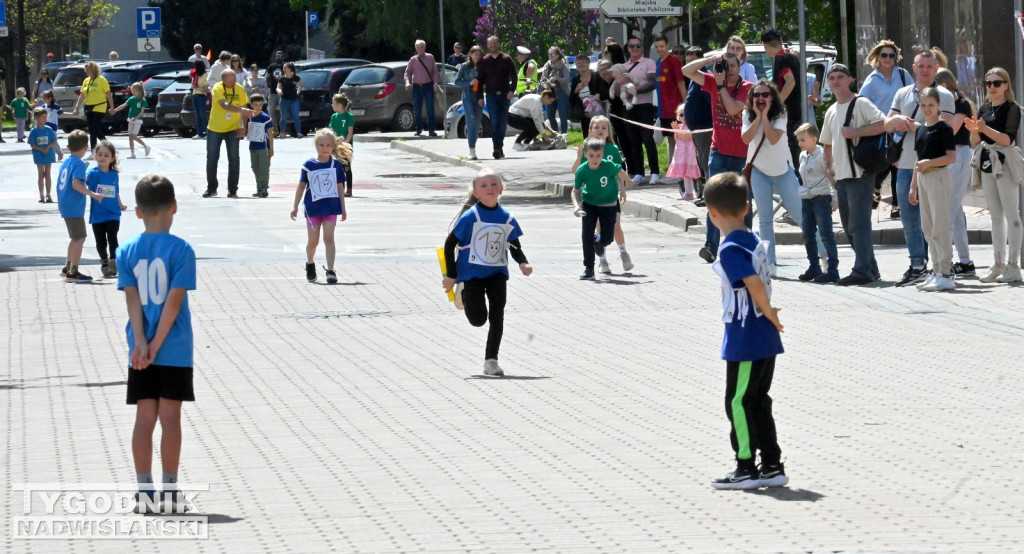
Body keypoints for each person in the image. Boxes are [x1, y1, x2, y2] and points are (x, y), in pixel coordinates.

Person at [116, 174, 198, 514]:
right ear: (174, 208)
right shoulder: (182, 250)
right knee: (171, 419)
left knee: (144, 418)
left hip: (140, 351)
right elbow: (173, 304)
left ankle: (143, 490)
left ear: (137, 212)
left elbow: (132, 302)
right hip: (174, 348)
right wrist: (156, 345)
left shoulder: (126, 251)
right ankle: (169, 489)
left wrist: (140, 344)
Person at [702, 172, 787, 491]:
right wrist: (771, 314)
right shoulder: (751, 239)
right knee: (757, 400)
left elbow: (752, 284)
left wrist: (769, 314)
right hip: (761, 333)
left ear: (711, 213)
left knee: (737, 401)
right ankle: (772, 465)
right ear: (747, 208)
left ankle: (746, 465)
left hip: (746, 336)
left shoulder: (731, 248)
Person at [442, 168, 533, 376]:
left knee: (497, 316)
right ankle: (464, 293)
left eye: (494, 184)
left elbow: (514, 243)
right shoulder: (470, 217)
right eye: (484, 185)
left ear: (501, 189)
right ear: (476, 193)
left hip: (497, 273)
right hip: (471, 275)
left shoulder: (507, 218)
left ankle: (491, 361)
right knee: (478, 319)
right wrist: (451, 276)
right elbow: (449, 245)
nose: (489, 188)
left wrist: (523, 263)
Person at [885, 50, 956, 287]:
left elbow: (943, 130)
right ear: (913, 68)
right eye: (920, 66)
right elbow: (887, 122)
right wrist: (896, 121)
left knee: (939, 223)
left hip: (935, 169)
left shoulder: (944, 95)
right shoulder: (902, 92)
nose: (924, 70)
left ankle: (944, 271)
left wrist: (914, 125)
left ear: (936, 68)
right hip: (909, 165)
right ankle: (919, 266)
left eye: (929, 66)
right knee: (915, 220)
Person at [682, 51, 753, 263]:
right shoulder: (714, 81)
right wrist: (711, 60)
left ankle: (744, 244)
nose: (729, 70)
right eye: (725, 65)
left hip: (742, 153)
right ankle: (710, 246)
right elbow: (686, 71)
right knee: (713, 198)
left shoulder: (748, 88)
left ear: (739, 67)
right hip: (719, 150)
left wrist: (721, 86)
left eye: (732, 66)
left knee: (743, 199)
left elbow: (733, 110)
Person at [820, 64, 887, 286]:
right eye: (832, 78)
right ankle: (870, 268)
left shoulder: (861, 103)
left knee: (859, 224)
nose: (836, 81)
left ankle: (862, 272)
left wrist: (856, 132)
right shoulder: (831, 110)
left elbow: (883, 124)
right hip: (841, 176)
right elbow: (827, 144)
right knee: (849, 226)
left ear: (850, 80)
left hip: (860, 173)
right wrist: (828, 167)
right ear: (828, 83)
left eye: (840, 77)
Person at [741, 79, 809, 275]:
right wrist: (758, 115)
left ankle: (821, 255)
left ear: (773, 97)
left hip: (782, 170)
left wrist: (765, 116)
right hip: (759, 171)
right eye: (757, 95)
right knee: (765, 219)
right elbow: (746, 139)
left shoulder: (781, 113)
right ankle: (769, 263)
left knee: (801, 215)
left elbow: (772, 138)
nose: (761, 98)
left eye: (765, 94)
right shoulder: (747, 113)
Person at [966, 67, 1024, 283]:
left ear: (1006, 85)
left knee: (1012, 213)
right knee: (995, 215)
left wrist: (984, 130)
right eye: (988, 83)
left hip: (1006, 162)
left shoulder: (1012, 108)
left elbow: (1007, 140)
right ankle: (998, 263)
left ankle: (1013, 265)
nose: (991, 87)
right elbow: (974, 142)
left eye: (996, 83)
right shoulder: (984, 109)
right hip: (987, 162)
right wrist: (974, 129)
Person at [907, 87, 958, 291]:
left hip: (938, 177)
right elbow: (918, 161)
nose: (927, 109)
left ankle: (945, 272)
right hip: (924, 178)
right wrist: (913, 187)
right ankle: (936, 270)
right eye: (923, 105)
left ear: (938, 106)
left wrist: (930, 163)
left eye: (931, 105)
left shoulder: (944, 128)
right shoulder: (920, 129)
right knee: (928, 227)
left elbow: (951, 157)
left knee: (940, 225)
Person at [571, 116, 634, 273]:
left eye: (603, 128)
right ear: (590, 131)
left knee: (615, 226)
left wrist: (623, 189)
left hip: (611, 196)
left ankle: (623, 252)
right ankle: (603, 261)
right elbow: (576, 172)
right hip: (593, 198)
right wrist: (579, 156)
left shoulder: (612, 149)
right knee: (598, 228)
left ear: (608, 132)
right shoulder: (587, 149)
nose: (599, 130)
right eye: (596, 127)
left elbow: (618, 171)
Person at [859, 40, 913, 215]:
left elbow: (914, 94)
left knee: (900, 164)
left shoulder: (903, 75)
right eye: (884, 55)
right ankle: (876, 189)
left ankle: (897, 205)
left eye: (891, 55)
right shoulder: (872, 79)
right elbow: (862, 102)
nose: (888, 59)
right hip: (882, 127)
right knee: (885, 162)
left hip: (902, 127)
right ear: (878, 57)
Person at [290, 128, 350, 283]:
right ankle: (310, 263)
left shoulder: (336, 166)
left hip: (331, 207)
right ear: (316, 145)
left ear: (333, 147)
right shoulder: (309, 165)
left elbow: (339, 188)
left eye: (328, 145)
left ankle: (331, 270)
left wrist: (343, 208)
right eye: (321, 145)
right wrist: (295, 206)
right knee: (313, 241)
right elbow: (301, 186)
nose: (325, 148)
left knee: (329, 237)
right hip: (313, 208)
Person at [933, 68, 976, 276]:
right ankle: (965, 260)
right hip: (949, 156)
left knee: (948, 210)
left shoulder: (960, 104)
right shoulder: (948, 103)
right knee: (956, 211)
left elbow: (952, 130)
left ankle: (944, 262)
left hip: (958, 155)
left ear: (943, 85)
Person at [56, 130, 106, 282]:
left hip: (66, 204)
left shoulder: (67, 162)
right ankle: (73, 272)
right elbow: (76, 184)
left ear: (68, 147)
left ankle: (67, 268)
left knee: (74, 237)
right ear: (86, 148)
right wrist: (93, 194)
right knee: (80, 238)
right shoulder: (78, 163)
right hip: (73, 205)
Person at [794, 123, 839, 283]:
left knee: (826, 234)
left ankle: (833, 268)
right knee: (807, 233)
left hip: (821, 197)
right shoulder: (803, 155)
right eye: (799, 140)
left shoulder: (823, 155)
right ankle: (814, 266)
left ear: (814, 139)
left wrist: (834, 199)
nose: (800, 143)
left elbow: (833, 176)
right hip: (807, 198)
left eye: (803, 140)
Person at [203, 69, 254, 198]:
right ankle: (211, 188)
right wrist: (242, 109)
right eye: (230, 81)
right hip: (215, 128)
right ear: (223, 80)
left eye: (234, 79)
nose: (233, 82)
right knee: (212, 158)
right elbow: (225, 106)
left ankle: (232, 189)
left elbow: (245, 112)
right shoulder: (217, 88)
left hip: (233, 128)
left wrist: (243, 127)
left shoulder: (239, 89)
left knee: (234, 158)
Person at [761, 29, 804, 172]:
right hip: (797, 112)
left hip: (788, 114)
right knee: (795, 154)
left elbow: (789, 81)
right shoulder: (791, 56)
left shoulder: (780, 59)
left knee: (790, 157)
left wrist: (777, 103)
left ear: (766, 45)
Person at [86, 140, 127, 279]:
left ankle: (114, 261)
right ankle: (104, 261)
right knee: (100, 242)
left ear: (112, 159)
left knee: (112, 237)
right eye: (100, 154)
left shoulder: (114, 174)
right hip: (98, 214)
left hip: (113, 213)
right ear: (95, 156)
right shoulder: (92, 174)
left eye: (106, 155)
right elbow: (82, 183)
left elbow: (115, 192)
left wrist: (120, 204)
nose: (102, 158)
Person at [622, 36, 660, 185]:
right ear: (628, 48)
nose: (635, 49)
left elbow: (651, 83)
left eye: (638, 46)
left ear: (642, 48)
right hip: (629, 107)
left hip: (645, 105)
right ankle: (639, 172)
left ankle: (655, 172)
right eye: (632, 46)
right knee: (634, 140)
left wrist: (635, 91)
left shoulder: (648, 63)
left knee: (648, 139)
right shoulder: (624, 66)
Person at [476, 36, 517, 160]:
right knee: (494, 123)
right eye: (490, 43)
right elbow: (479, 80)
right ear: (487, 46)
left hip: (505, 96)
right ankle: (496, 149)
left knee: (502, 124)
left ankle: (500, 148)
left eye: (495, 43)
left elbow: (514, 77)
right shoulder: (484, 61)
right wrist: (479, 97)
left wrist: (512, 90)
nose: (493, 45)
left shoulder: (506, 59)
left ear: (498, 44)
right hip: (491, 96)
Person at [683, 46, 713, 200]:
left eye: (692, 61)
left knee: (707, 162)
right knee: (702, 160)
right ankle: (706, 194)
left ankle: (710, 197)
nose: (689, 65)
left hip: (705, 127)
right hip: (697, 128)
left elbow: (711, 102)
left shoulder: (705, 77)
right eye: (687, 61)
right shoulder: (694, 79)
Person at [598, 59, 634, 175]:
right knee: (618, 143)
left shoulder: (618, 80)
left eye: (606, 69)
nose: (604, 72)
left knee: (627, 141)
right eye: (601, 70)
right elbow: (603, 95)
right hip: (614, 116)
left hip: (624, 113)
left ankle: (633, 169)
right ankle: (621, 169)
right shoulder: (603, 83)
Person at [654, 34, 686, 164]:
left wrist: (685, 104)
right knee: (670, 139)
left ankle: (677, 168)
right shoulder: (658, 62)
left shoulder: (673, 61)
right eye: (657, 47)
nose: (660, 49)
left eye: (662, 46)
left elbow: (681, 83)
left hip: (674, 108)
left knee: (677, 138)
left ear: (667, 45)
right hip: (663, 109)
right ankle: (672, 168)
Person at [72, 62, 114, 151]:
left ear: (93, 69)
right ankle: (94, 151)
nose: (86, 71)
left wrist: (112, 107)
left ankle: (107, 146)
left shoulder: (102, 80)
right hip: (88, 106)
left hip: (99, 106)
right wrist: (77, 108)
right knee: (91, 130)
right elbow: (82, 95)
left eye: (88, 69)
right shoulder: (86, 81)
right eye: (85, 69)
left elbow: (108, 94)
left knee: (96, 127)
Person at [405, 40, 441, 137]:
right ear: (416, 48)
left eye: (423, 46)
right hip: (416, 86)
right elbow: (407, 73)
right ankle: (418, 129)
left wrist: (435, 83)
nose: (422, 48)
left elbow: (435, 72)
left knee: (430, 108)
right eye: (420, 47)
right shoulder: (413, 60)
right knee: (417, 109)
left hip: (428, 86)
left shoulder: (430, 57)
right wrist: (407, 82)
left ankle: (431, 130)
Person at [454, 46, 483, 159]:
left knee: (476, 122)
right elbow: (457, 81)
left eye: (479, 55)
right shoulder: (465, 67)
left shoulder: (482, 67)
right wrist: (469, 82)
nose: (477, 57)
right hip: (468, 96)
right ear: (470, 55)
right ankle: (471, 149)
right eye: (475, 54)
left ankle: (473, 146)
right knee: (470, 120)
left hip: (479, 96)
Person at [28, 107, 62, 203]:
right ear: (37, 118)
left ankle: (48, 194)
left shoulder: (49, 129)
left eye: (45, 117)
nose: (45, 119)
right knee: (40, 174)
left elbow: (54, 140)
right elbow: (32, 144)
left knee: (48, 174)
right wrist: (41, 149)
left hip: (48, 153)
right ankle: (41, 195)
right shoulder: (34, 131)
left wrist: (48, 148)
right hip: (39, 154)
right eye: (43, 117)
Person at [667, 104, 701, 199]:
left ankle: (689, 192)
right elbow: (676, 138)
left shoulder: (690, 127)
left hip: (689, 153)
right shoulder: (681, 126)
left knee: (688, 173)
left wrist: (677, 130)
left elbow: (686, 137)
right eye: (681, 115)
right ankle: (688, 192)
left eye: (686, 114)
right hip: (681, 153)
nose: (684, 117)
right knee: (685, 174)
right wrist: (675, 130)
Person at [110, 82, 151, 159]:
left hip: (138, 120)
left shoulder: (143, 100)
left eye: (134, 90)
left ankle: (146, 146)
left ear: (138, 90)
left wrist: (136, 117)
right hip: (130, 119)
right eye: (132, 90)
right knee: (130, 137)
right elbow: (123, 105)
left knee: (134, 136)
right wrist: (115, 110)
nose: (132, 92)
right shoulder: (132, 99)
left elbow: (141, 112)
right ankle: (132, 154)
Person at [246, 93, 274, 198]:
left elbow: (270, 134)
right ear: (251, 105)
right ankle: (259, 188)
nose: (258, 107)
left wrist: (271, 148)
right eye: (256, 104)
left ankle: (264, 188)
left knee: (263, 168)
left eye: (260, 105)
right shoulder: (249, 117)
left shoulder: (265, 118)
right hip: (253, 146)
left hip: (263, 147)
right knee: (255, 167)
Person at [570, 54, 604, 138]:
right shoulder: (575, 80)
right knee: (587, 134)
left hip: (598, 110)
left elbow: (602, 91)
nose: (581, 65)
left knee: (599, 133)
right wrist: (576, 90)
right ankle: (588, 150)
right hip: (584, 112)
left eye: (583, 62)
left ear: (589, 64)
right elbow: (571, 99)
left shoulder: (596, 76)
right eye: (578, 63)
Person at [539, 46, 571, 134]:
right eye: (549, 54)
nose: (550, 56)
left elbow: (567, 79)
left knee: (562, 116)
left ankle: (564, 135)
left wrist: (557, 79)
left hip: (562, 93)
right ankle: (555, 134)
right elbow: (542, 80)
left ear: (558, 55)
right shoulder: (547, 65)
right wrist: (545, 83)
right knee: (550, 116)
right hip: (550, 93)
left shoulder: (563, 65)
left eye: (553, 54)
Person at [329, 93, 355, 196]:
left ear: (339, 105)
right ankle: (340, 189)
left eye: (333, 103)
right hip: (336, 146)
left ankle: (349, 190)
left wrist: (345, 144)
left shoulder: (348, 116)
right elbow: (332, 131)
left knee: (347, 167)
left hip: (346, 147)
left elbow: (350, 132)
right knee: (337, 168)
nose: (332, 105)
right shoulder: (333, 117)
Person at [276, 62, 303, 138]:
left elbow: (301, 84)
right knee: (284, 116)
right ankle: (282, 132)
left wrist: (298, 92)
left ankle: (299, 133)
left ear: (290, 69)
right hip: (284, 100)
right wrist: (279, 91)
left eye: (285, 68)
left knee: (296, 116)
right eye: (283, 68)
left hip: (294, 100)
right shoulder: (282, 78)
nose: (284, 69)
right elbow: (278, 87)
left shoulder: (296, 77)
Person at [189, 60, 210, 140]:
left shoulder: (205, 75)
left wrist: (200, 87)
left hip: (202, 96)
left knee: (203, 115)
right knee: (197, 115)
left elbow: (206, 85)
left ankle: (208, 132)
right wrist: (196, 87)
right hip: (195, 95)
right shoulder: (195, 75)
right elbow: (192, 85)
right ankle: (199, 133)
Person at [266, 51, 286, 132]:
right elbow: (267, 77)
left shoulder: (285, 66)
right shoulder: (271, 67)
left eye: (281, 56)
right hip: (273, 91)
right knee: (270, 110)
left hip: (283, 92)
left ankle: (283, 129)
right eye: (277, 56)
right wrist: (268, 87)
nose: (279, 57)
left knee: (283, 111)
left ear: (283, 57)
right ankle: (274, 128)